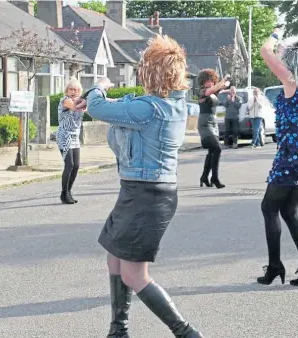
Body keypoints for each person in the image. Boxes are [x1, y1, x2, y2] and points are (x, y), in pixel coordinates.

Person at [75, 35, 203, 338]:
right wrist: (107, 100)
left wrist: (97, 89)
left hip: (148, 196)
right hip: (140, 192)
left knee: (134, 273)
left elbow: (99, 109)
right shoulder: (168, 105)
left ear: (151, 73)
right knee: (115, 257)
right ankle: (118, 330)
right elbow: (123, 107)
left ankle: (186, 333)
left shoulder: (151, 109)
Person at [256, 28, 298, 287]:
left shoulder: (291, 81)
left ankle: (275, 266)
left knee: (269, 208)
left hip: (291, 157)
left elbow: (264, 51)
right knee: (288, 211)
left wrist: (274, 34)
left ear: (293, 61)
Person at [197, 69, 230, 189]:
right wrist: (223, 78)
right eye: (208, 81)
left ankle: (204, 177)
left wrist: (226, 83)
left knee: (212, 151)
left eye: (212, 81)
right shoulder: (202, 91)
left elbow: (222, 87)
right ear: (203, 81)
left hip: (213, 123)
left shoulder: (213, 93)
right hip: (205, 124)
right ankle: (214, 178)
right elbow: (214, 89)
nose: (210, 83)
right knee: (217, 148)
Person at [56, 78, 85, 204]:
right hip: (64, 135)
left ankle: (68, 191)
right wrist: (85, 104)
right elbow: (73, 107)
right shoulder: (65, 100)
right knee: (69, 165)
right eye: (71, 89)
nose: (74, 91)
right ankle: (64, 193)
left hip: (75, 136)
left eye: (77, 89)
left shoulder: (81, 102)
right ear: (67, 91)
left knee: (76, 165)